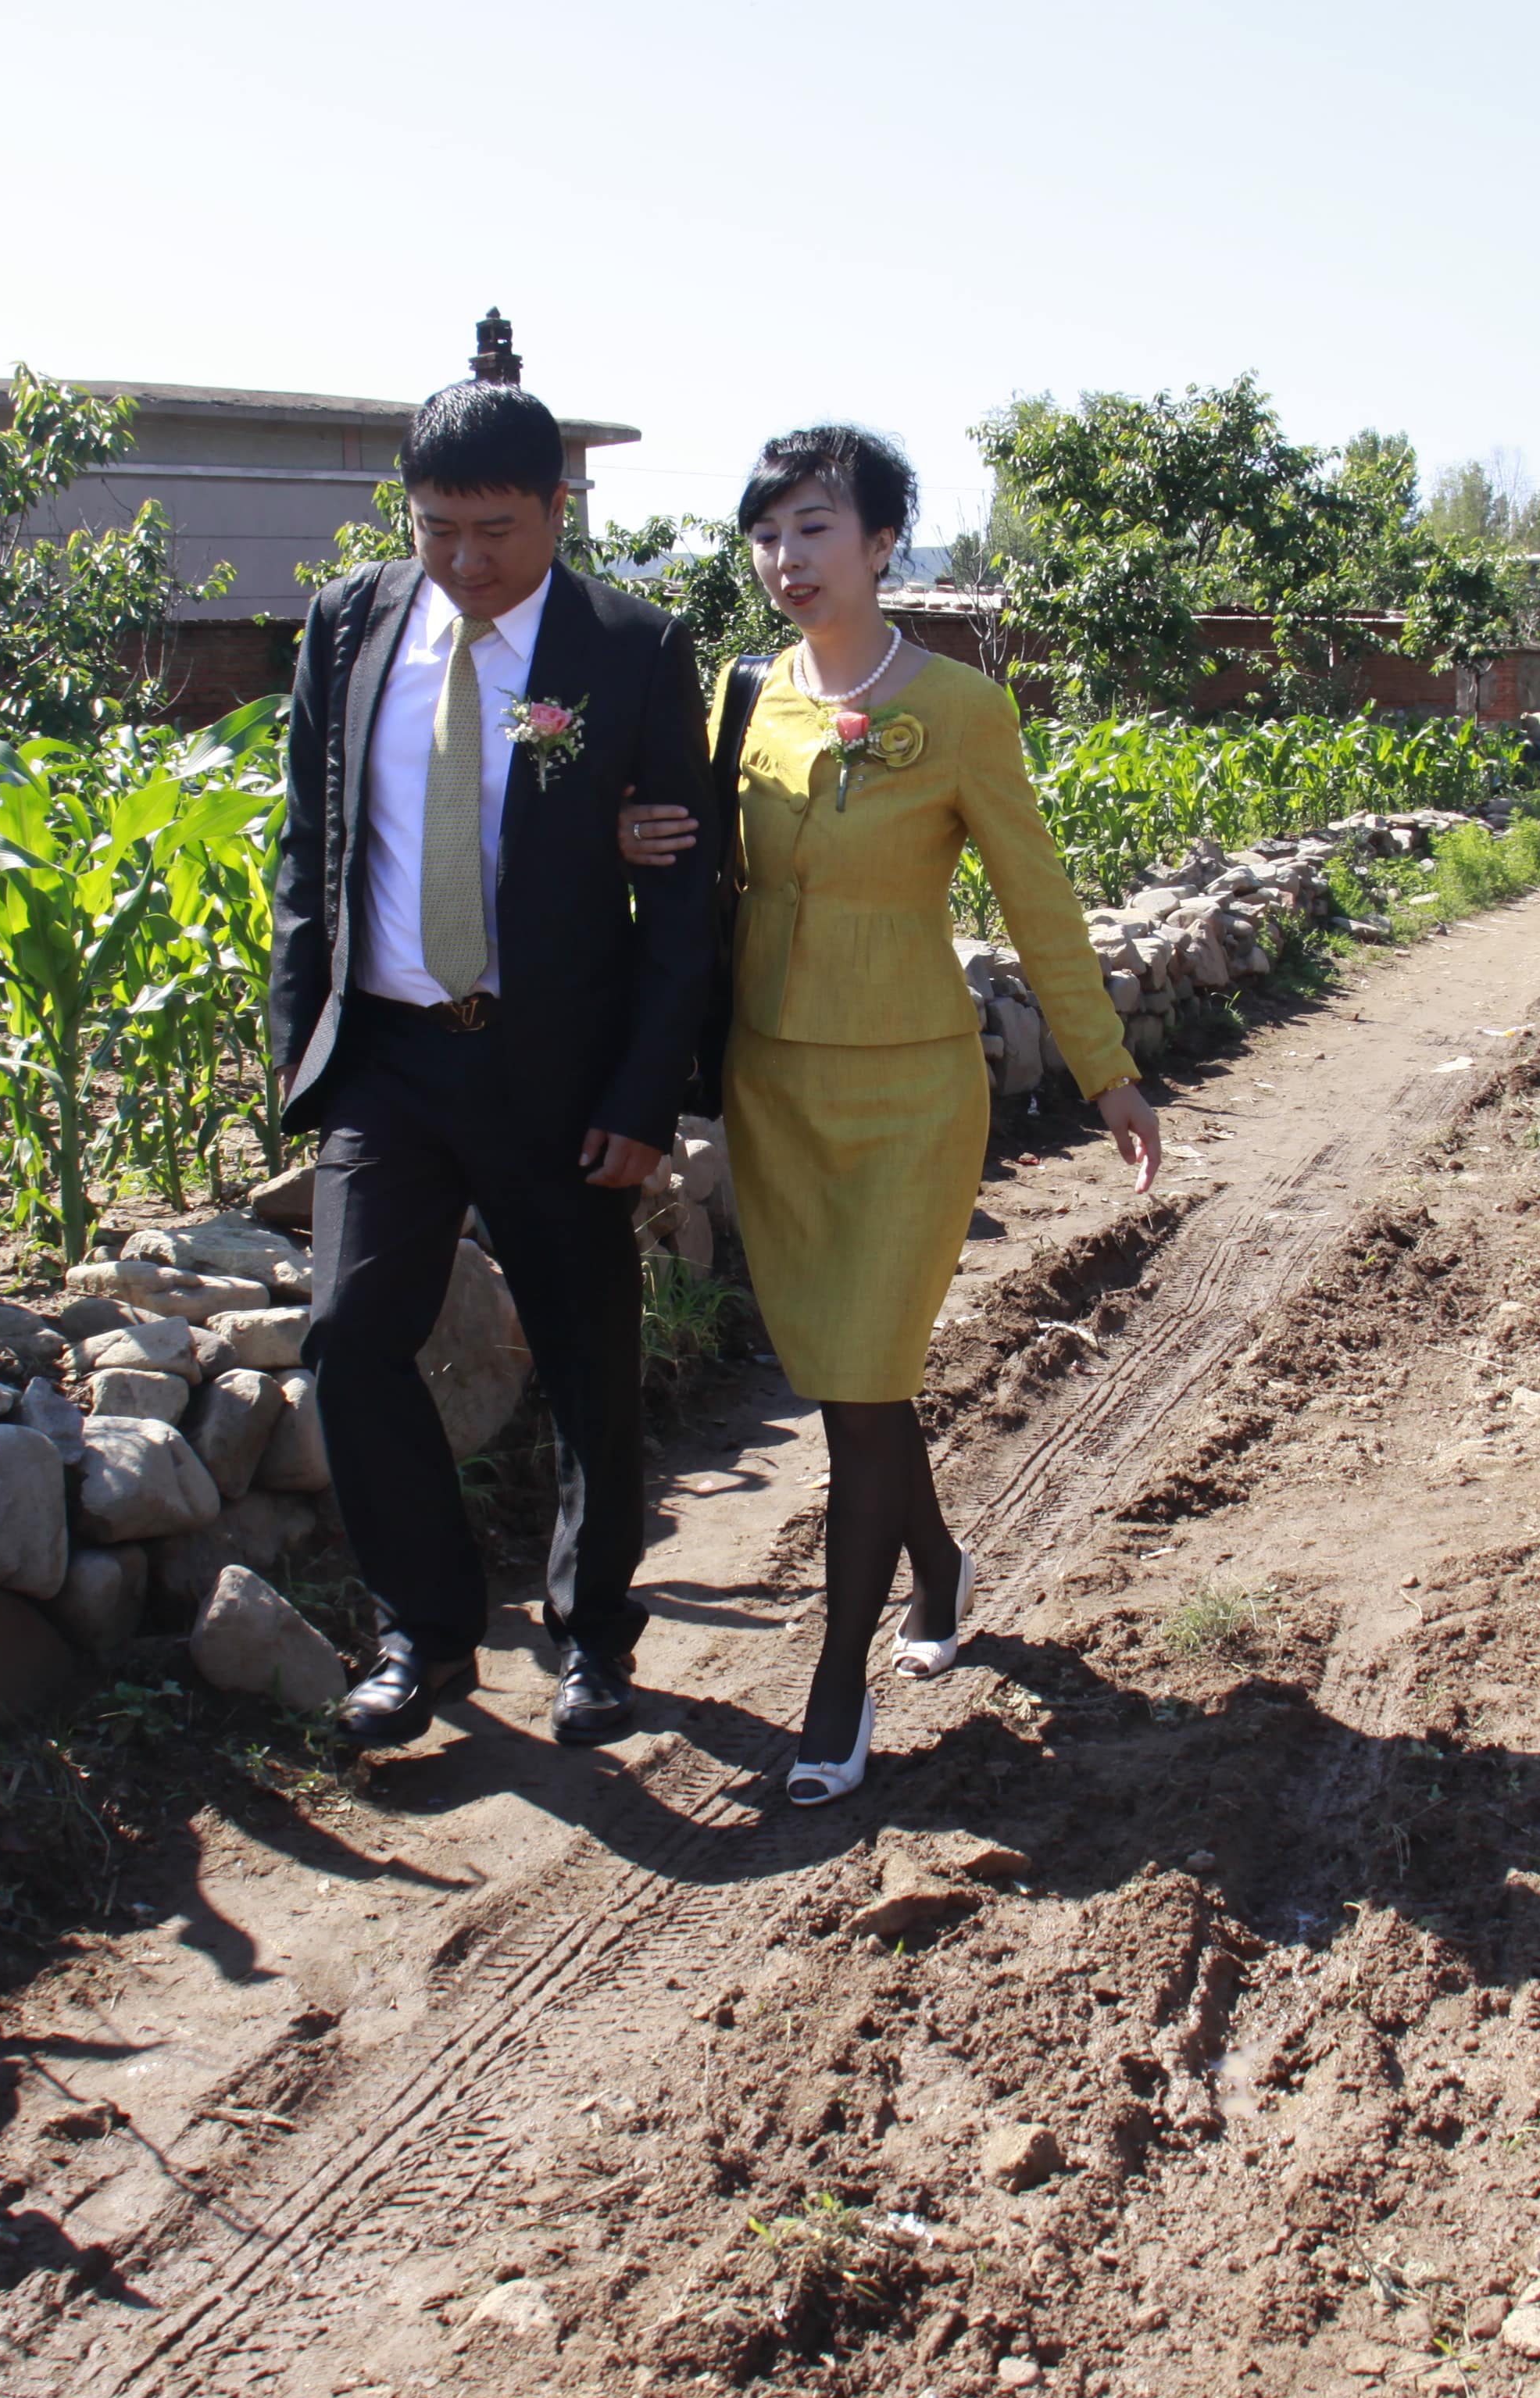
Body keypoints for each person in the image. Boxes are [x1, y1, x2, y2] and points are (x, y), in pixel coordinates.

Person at [616, 427, 1156, 1807]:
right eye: (766, 534)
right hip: (773, 1084)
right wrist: (630, 839)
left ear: (878, 544)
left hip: (913, 1088)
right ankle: (939, 1569)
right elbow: (694, 877)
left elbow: (1036, 899)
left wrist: (1104, 1071)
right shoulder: (744, 703)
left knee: (859, 1390)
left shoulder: (963, 709)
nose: (783, 559)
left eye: (811, 528)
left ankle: (836, 1687)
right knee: (852, 1380)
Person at [267, 381, 721, 1753]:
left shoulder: (629, 648)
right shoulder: (351, 624)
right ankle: (425, 1632)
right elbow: (306, 845)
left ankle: (592, 1638)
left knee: (584, 1355)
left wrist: (646, 1095)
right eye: (438, 527)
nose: (464, 560)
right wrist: (309, 1051)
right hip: (392, 1058)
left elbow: (687, 898)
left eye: (496, 529)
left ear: (556, 512)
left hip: (556, 1065)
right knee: (350, 1340)